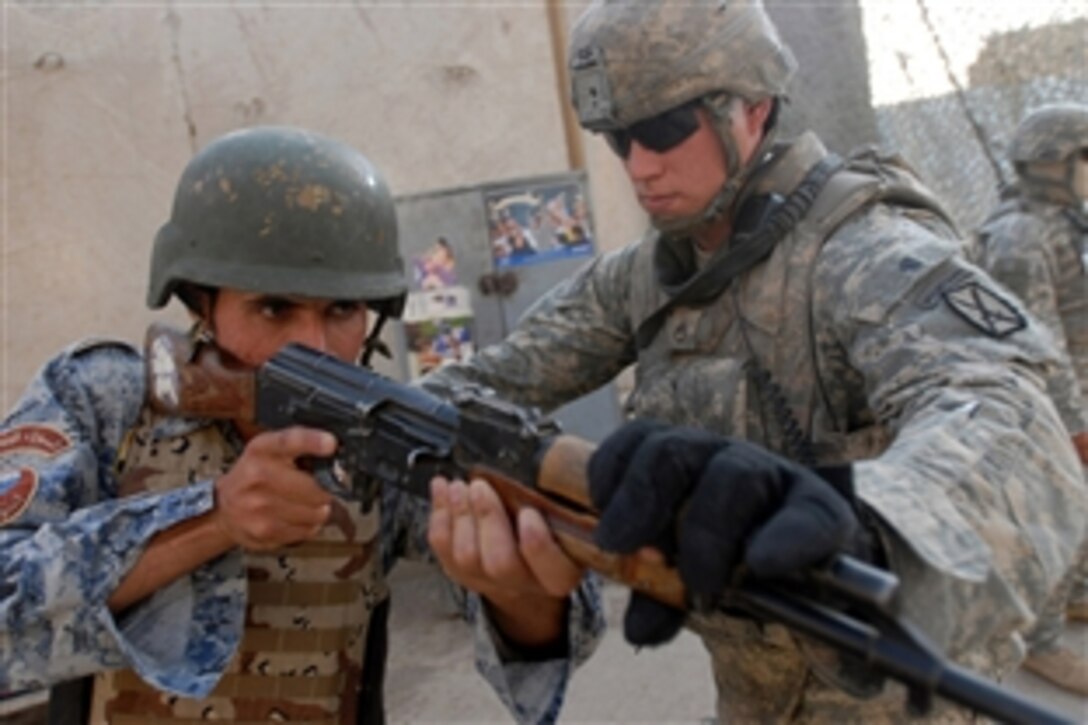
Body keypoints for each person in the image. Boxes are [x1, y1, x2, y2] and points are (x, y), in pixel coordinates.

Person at [420, 1, 1086, 721]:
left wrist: (873, 524)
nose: (640, 166)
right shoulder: (646, 276)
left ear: (754, 108)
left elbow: (1010, 416)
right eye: (618, 139)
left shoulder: (861, 249)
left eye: (665, 128)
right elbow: (477, 388)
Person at [0, 126, 602, 724]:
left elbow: (555, 635)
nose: (313, 346)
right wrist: (214, 518)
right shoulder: (106, 401)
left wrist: (518, 590)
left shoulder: (378, 431)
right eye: (273, 308)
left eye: (341, 310)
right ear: (198, 303)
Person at [973, 102, 1088, 695]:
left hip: (1074, 397)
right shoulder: (1020, 237)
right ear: (1051, 164)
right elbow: (1037, 345)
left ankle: (1076, 597)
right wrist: (1074, 427)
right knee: (1060, 518)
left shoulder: (1062, 220)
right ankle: (1039, 645)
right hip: (1045, 410)